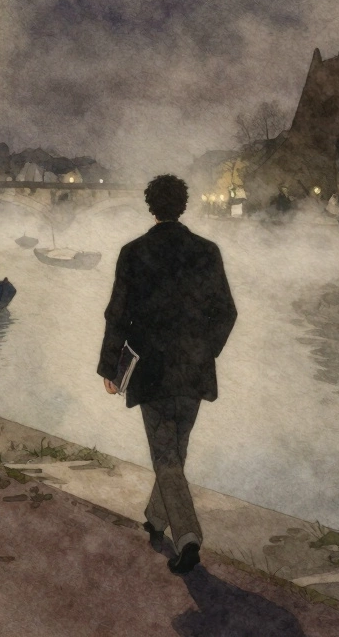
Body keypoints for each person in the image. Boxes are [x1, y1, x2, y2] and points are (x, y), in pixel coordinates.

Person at [97, 174, 237, 575]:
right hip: (193, 370)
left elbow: (117, 316)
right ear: (183, 205)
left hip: (151, 369)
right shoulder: (207, 252)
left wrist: (110, 366)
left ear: (151, 207)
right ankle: (157, 519)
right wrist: (204, 352)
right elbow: (226, 312)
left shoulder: (133, 252)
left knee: (165, 454)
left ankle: (188, 535)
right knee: (176, 448)